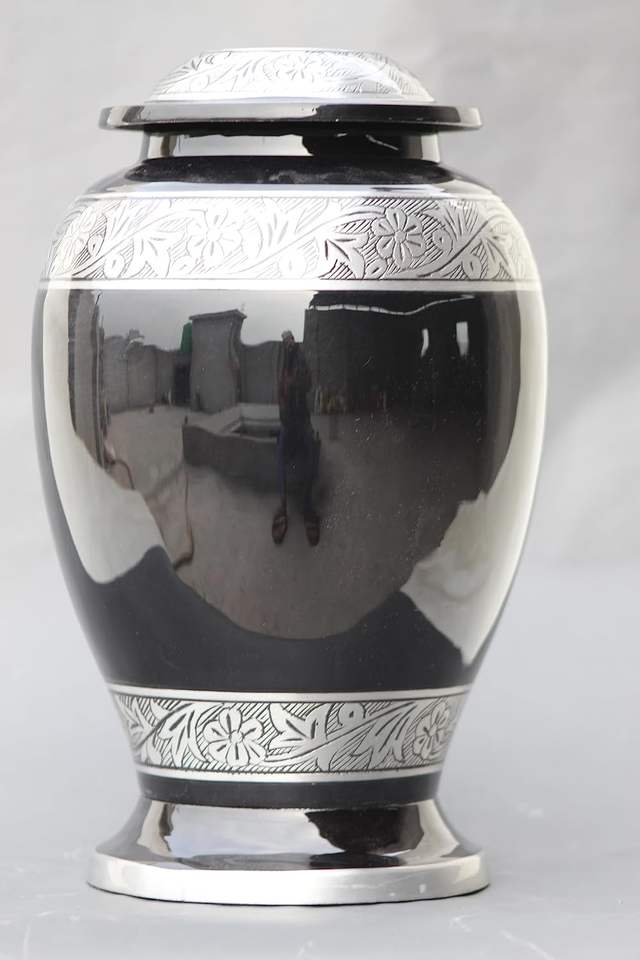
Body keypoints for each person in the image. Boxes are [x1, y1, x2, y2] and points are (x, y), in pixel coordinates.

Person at [272, 331, 319, 546]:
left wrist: (294, 384)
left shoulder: (300, 361)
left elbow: (307, 384)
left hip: (302, 419)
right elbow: (281, 394)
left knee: (311, 450)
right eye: (285, 341)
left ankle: (307, 505)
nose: (288, 344)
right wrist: (283, 413)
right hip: (288, 422)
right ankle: (282, 505)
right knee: (280, 453)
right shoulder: (284, 366)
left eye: (290, 340)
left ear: (294, 341)